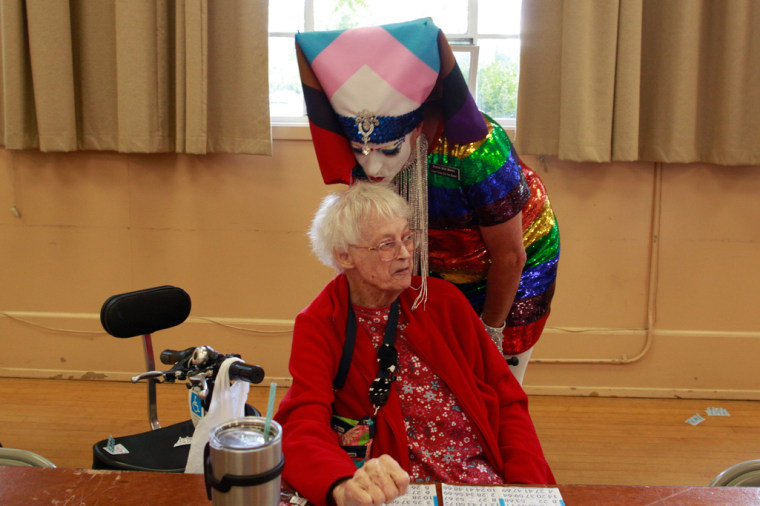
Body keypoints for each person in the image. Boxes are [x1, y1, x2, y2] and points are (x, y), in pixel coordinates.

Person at [295, 17, 560, 384]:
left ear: (417, 127)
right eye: (360, 150)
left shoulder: (476, 149)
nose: (372, 167)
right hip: (426, 254)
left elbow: (511, 256)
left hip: (508, 263)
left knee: (491, 384)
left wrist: (490, 334)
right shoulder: (367, 150)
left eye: (389, 150)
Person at [274, 182, 555, 506]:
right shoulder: (322, 322)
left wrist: (524, 487)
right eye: (386, 244)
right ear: (343, 255)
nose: (406, 254)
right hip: (396, 488)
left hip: (477, 479)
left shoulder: (442, 301)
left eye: (407, 238)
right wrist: (342, 485)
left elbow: (506, 399)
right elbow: (301, 422)